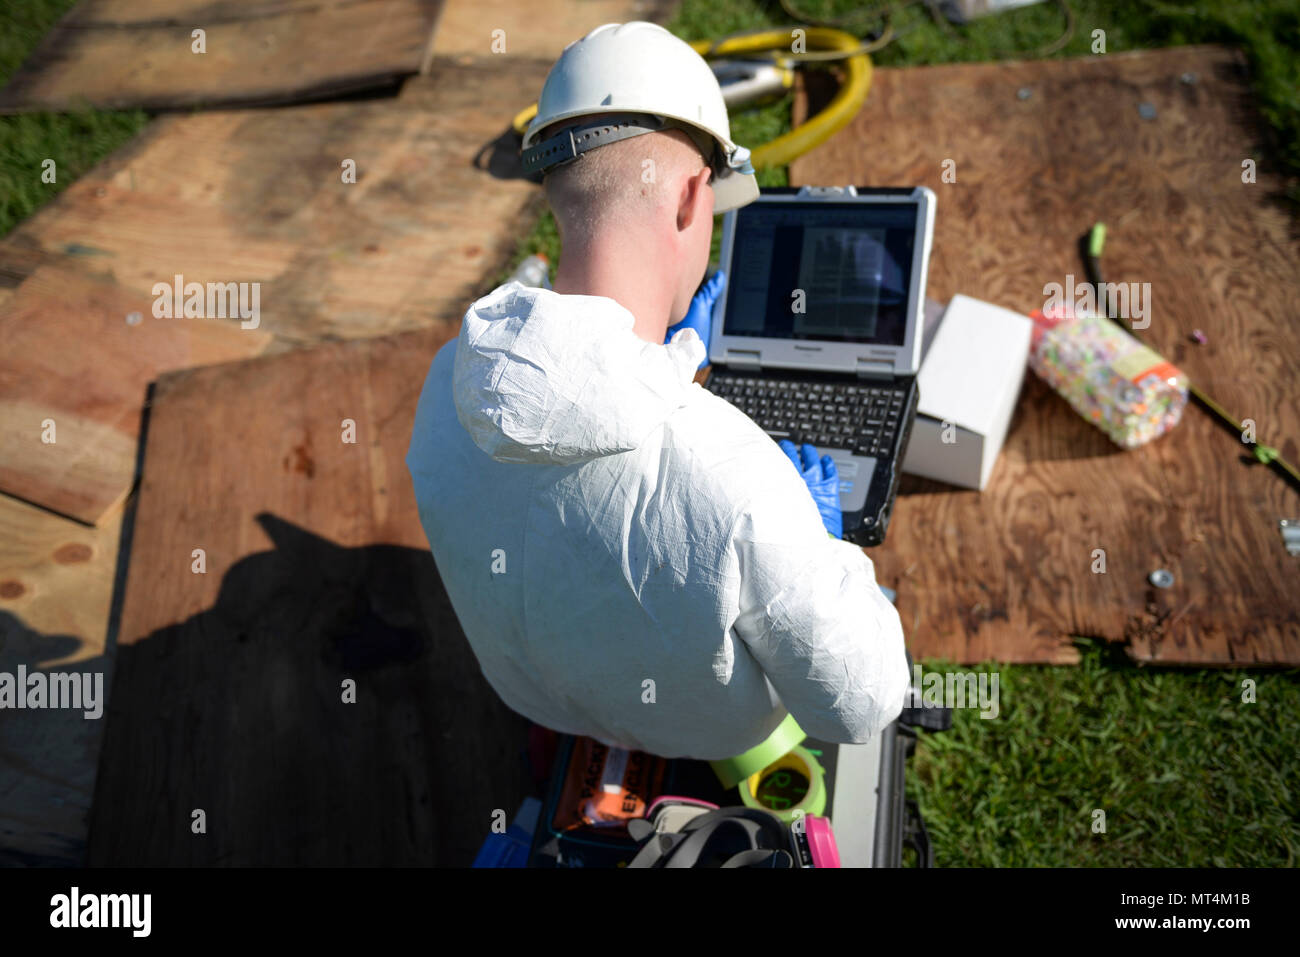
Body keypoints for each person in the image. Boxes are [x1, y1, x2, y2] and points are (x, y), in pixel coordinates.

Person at [406, 21, 908, 761]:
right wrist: (822, 543)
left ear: (556, 189)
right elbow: (860, 704)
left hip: (535, 695)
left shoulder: (444, 386)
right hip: (709, 735)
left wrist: (673, 363)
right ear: (689, 197)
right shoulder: (737, 477)